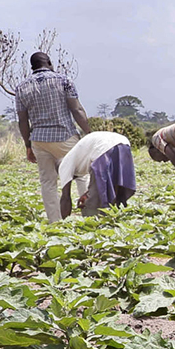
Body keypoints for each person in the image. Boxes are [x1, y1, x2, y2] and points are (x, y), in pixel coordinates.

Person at [15, 52, 91, 223]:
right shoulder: (64, 81)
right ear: (49, 62)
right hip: (64, 136)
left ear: (32, 67)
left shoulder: (21, 87)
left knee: (48, 182)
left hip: (39, 140)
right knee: (81, 174)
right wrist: (89, 134)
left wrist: (28, 145)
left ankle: (55, 223)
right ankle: (89, 215)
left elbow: (22, 120)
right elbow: (77, 110)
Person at [56, 130, 136, 218]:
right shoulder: (77, 159)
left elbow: (65, 198)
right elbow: (97, 183)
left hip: (103, 149)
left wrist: (63, 224)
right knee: (116, 193)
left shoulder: (63, 165)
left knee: (93, 206)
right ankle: (114, 220)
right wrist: (87, 194)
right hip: (123, 145)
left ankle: (98, 226)